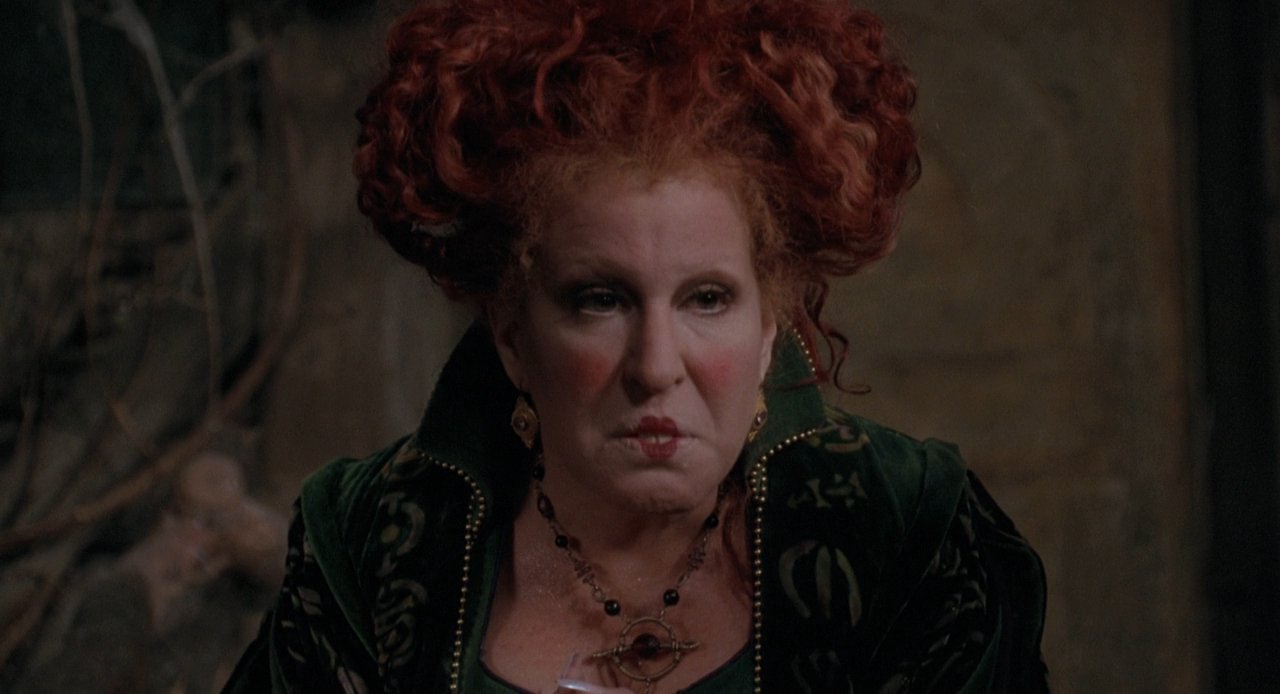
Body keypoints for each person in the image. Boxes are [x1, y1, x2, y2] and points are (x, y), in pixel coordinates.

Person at [224, 0, 1048, 691]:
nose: (656, 366)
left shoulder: (908, 531)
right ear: (511, 334)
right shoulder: (368, 543)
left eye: (707, 299)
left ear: (770, 323)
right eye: (601, 300)